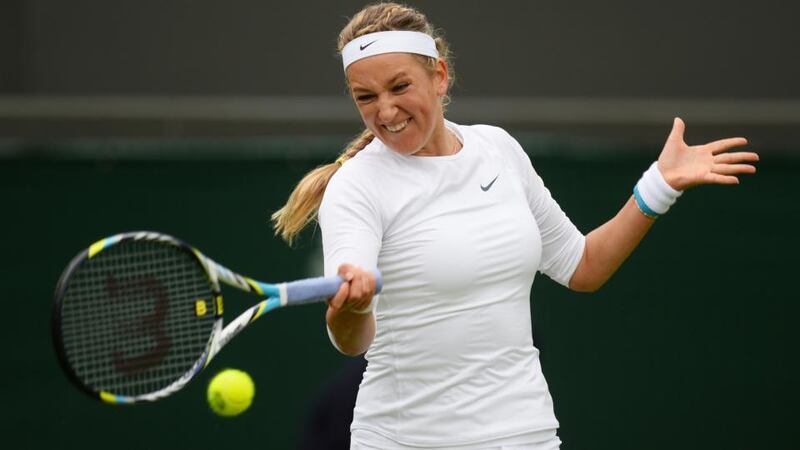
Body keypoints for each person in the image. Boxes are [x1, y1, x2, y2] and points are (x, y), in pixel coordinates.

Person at [272, 3, 759, 449]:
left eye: (399, 87)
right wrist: (351, 308)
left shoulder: (498, 150)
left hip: (527, 434)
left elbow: (582, 266)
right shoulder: (357, 187)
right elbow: (350, 339)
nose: (385, 111)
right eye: (366, 96)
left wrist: (659, 186)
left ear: (439, 76)